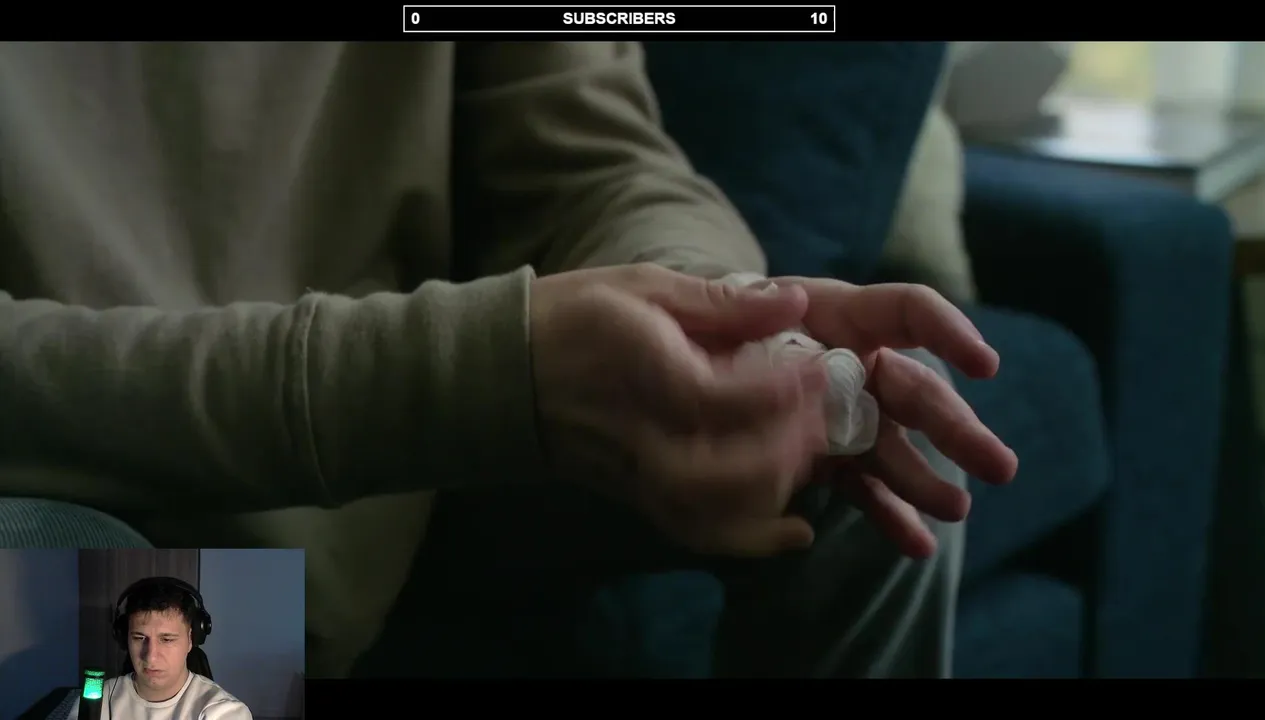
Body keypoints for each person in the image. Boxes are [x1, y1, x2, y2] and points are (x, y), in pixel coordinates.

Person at [0, 42, 1017, 677]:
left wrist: (710, 313)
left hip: (389, 495)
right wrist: (475, 374)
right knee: (84, 577)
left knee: (859, 432)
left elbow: (597, 159)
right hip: (71, 488)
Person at [69, 577, 251, 720]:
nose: (151, 657)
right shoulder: (97, 701)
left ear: (191, 639)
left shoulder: (224, 712)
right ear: (124, 638)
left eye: (167, 639)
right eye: (139, 638)